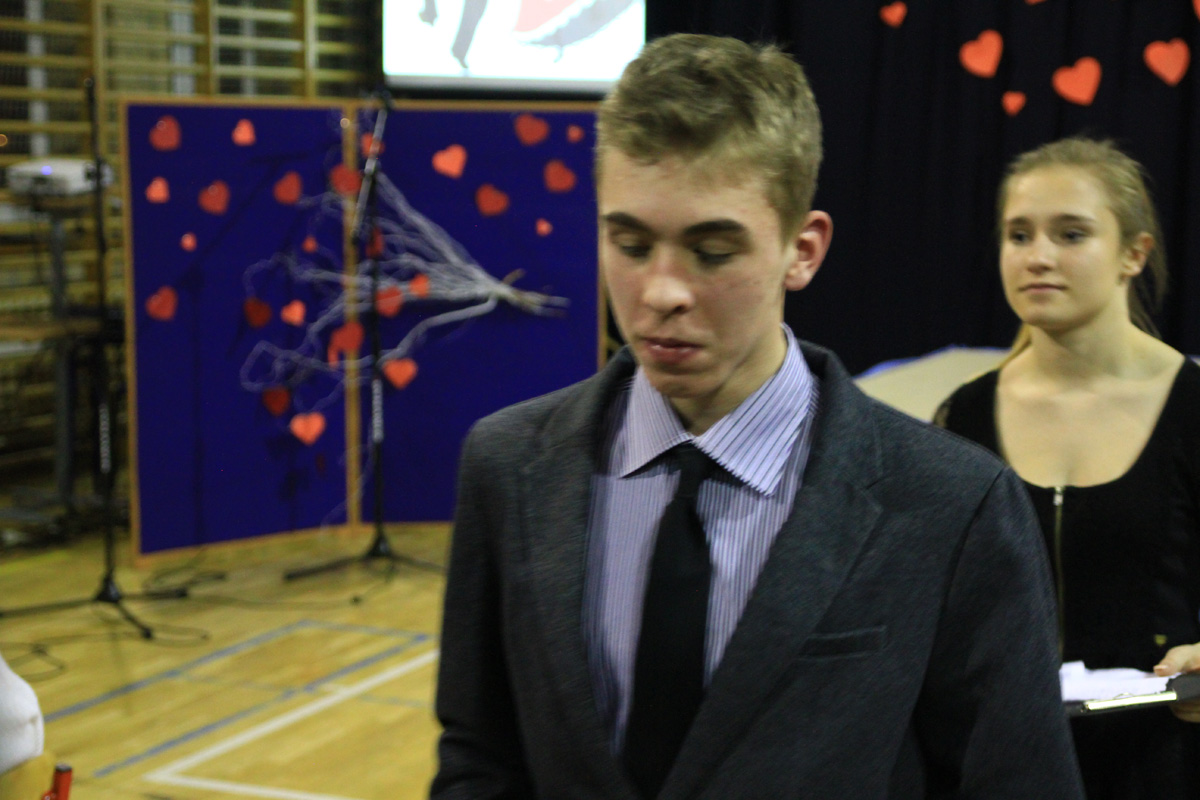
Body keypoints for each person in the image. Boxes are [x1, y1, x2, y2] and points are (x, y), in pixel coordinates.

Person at [431, 34, 1083, 799]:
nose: (661, 291)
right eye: (630, 244)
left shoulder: (952, 506)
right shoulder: (507, 466)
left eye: (711, 251)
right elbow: (480, 755)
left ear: (802, 250)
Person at [934, 136, 1200, 799]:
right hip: (998, 771)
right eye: (1019, 235)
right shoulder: (962, 418)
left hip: (1164, 766)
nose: (1038, 257)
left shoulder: (1192, 407)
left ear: (1134, 253)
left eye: (1071, 234)